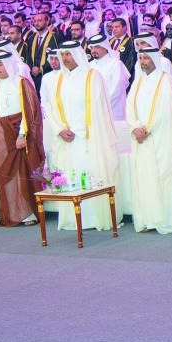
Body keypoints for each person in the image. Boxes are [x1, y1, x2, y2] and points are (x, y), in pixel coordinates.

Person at [43, 41, 121, 232]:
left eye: (68, 54)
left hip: (88, 138)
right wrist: (60, 129)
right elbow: (51, 108)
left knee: (92, 175)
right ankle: (73, 219)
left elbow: (99, 108)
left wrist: (79, 130)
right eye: (63, 55)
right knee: (70, 176)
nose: (65, 59)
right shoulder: (59, 79)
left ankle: (95, 218)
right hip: (66, 139)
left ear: (77, 55)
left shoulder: (92, 76)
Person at [126, 47, 172, 234]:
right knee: (144, 177)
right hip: (141, 138)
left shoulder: (166, 80)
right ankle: (148, 219)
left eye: (147, 58)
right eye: (141, 58)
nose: (143, 62)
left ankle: (166, 220)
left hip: (161, 137)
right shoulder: (138, 81)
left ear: (155, 59)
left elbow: (165, 109)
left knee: (163, 176)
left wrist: (146, 129)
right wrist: (134, 128)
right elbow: (129, 106)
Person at [0, 50, 45, 227]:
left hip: (20, 133)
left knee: (24, 171)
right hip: (3, 135)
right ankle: (12, 212)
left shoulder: (21, 83)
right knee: (6, 173)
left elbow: (31, 111)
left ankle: (29, 213)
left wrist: (22, 134)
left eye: (0, 64)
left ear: (9, 64)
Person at [88, 34, 130, 120]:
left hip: (113, 112)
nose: (93, 50)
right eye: (91, 47)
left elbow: (117, 90)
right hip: (93, 112)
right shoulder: (89, 66)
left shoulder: (116, 64)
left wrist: (100, 105)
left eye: (97, 47)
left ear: (105, 47)